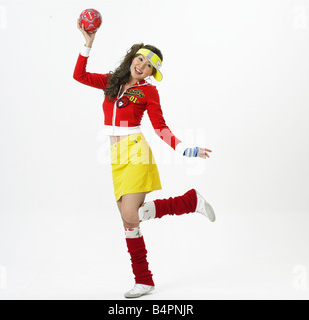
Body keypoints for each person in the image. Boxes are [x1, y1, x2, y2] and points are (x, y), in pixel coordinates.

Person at [74, 20, 216, 298]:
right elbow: (79, 75)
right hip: (116, 155)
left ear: (152, 71)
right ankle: (145, 280)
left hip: (136, 150)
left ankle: (190, 202)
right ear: (132, 57)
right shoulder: (110, 82)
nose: (141, 65)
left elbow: (160, 126)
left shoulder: (149, 91)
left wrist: (187, 149)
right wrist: (88, 43)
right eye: (140, 58)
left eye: (148, 65)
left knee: (131, 214)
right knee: (129, 222)